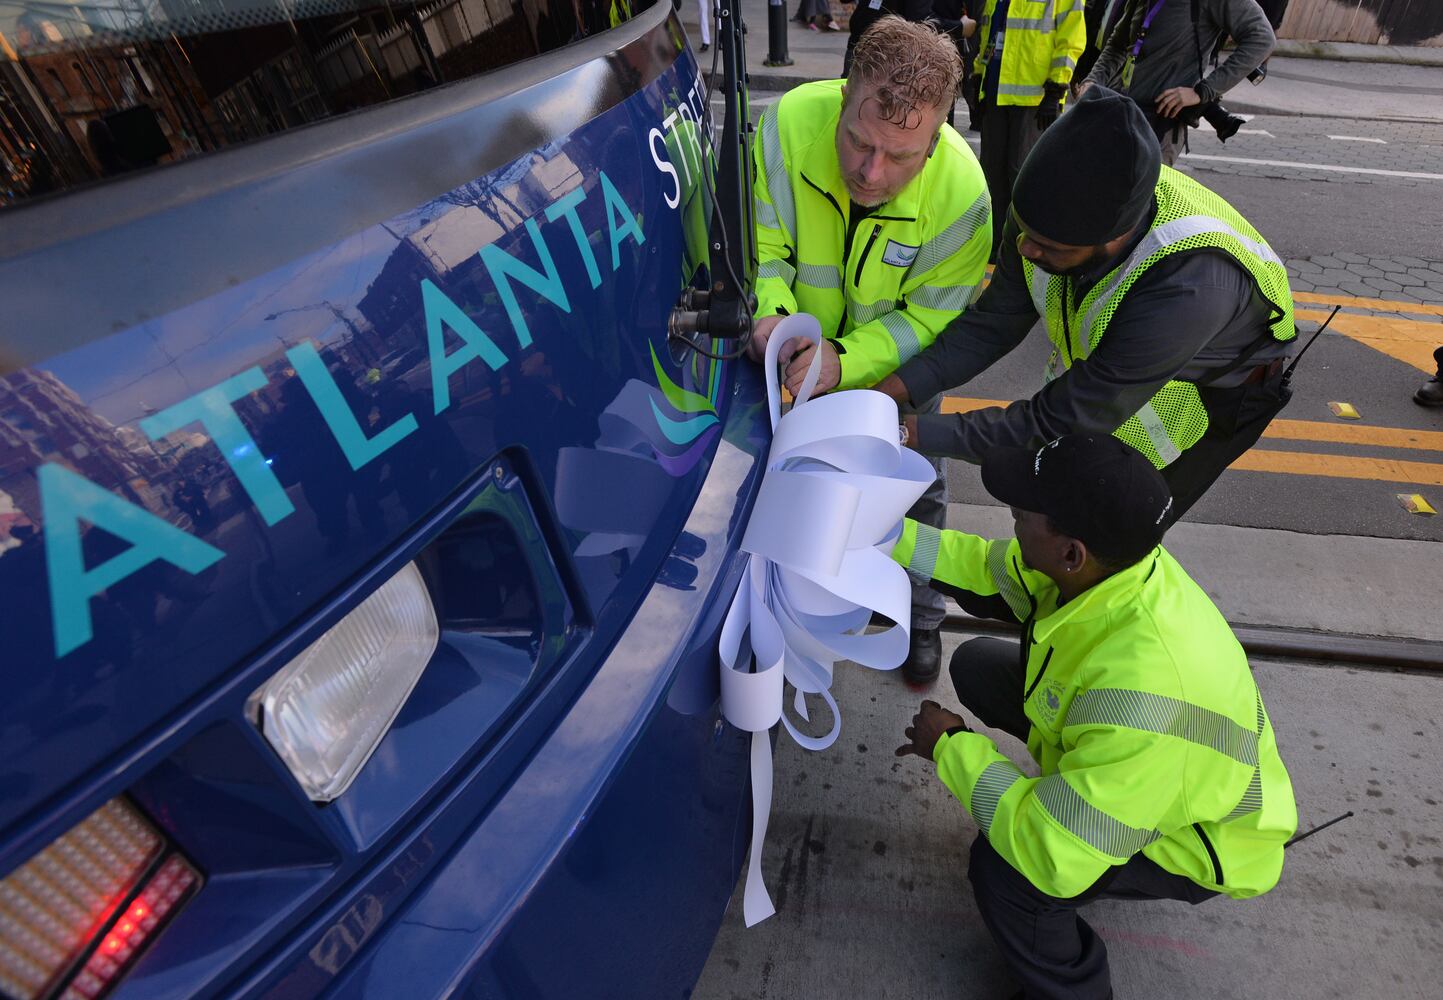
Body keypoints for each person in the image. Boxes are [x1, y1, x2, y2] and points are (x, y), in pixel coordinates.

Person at [893, 433, 1297, 1000]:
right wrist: (883, 536)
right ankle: (1085, 799)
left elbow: (1048, 851)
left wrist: (952, 747)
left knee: (1009, 869)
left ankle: (1071, 989)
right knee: (981, 666)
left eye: (1023, 511)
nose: (1011, 515)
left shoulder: (1151, 696)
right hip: (1145, 768)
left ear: (1070, 552)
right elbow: (986, 571)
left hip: (1197, 839)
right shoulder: (1113, 565)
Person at [875, 85, 1295, 525]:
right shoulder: (1049, 210)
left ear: (1113, 239)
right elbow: (995, 322)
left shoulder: (1189, 288)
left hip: (1203, 402)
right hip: (1104, 378)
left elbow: (1059, 420)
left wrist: (903, 432)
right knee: (1040, 501)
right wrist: (890, 391)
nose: (1025, 249)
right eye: (1023, 229)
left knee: (1102, 533)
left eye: (1045, 245)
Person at [750, 15, 993, 683]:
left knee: (919, 492)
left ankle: (919, 619)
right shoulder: (783, 125)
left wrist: (844, 364)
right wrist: (775, 323)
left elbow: (928, 320)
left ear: (937, 138)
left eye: (900, 156)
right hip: (786, 360)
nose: (870, 170)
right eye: (857, 141)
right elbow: (761, 249)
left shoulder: (964, 197)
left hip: (889, 374)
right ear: (840, 94)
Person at [1080, 0, 1276, 164]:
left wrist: (1203, 91)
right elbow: (1117, 45)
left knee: (1136, 206)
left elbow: (1262, 38)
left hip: (1159, 128)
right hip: (1118, 114)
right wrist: (1093, 80)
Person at [967, 0, 1086, 258]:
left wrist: (1056, 88)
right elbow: (990, 32)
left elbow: (1071, 39)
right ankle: (994, 241)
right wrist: (978, 74)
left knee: (1021, 176)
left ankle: (1021, 248)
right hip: (997, 91)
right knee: (991, 173)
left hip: (1035, 98)